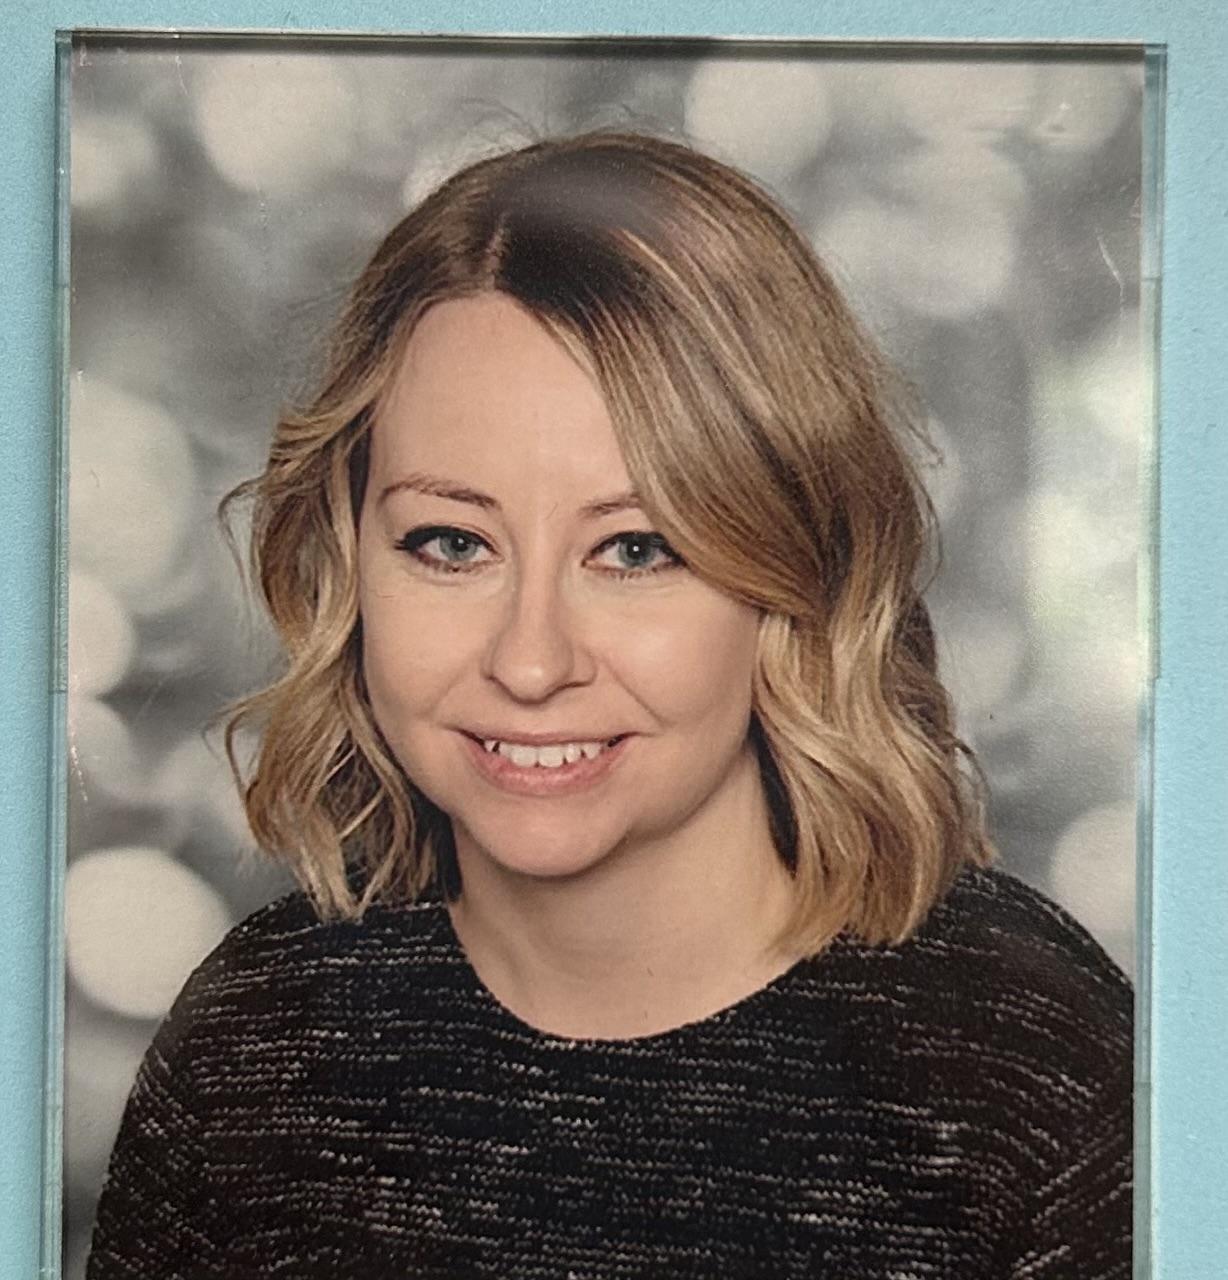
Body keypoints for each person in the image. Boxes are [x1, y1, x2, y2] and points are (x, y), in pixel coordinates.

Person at [87, 130, 1132, 1279]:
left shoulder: (1027, 1057)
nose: (530, 662)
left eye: (635, 548)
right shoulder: (253, 1047)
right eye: (452, 542)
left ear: (794, 569)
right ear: (348, 561)